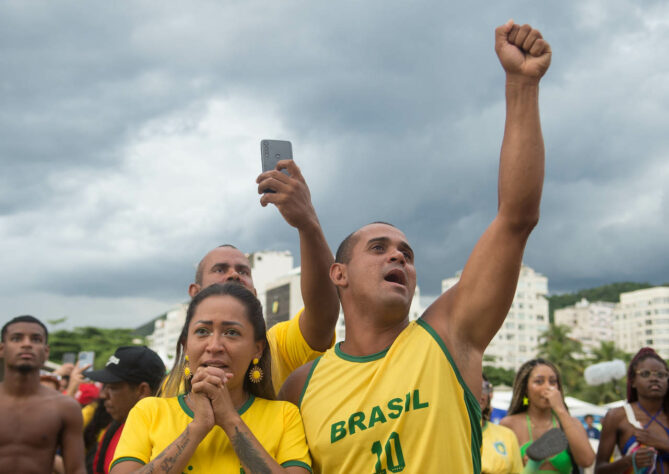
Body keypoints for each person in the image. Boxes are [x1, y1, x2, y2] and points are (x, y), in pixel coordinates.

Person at [279, 20, 551, 473]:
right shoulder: (300, 387)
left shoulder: (448, 335)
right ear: (338, 274)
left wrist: (522, 85)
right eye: (379, 247)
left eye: (407, 253)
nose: (398, 257)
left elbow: (516, 219)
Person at [110, 283, 311, 473]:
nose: (214, 346)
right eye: (202, 331)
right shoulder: (148, 412)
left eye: (231, 332)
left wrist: (230, 420)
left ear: (257, 349)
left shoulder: (285, 416)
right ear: (186, 346)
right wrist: (198, 427)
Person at [181, 159, 339, 394]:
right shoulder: (162, 395)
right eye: (220, 269)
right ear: (195, 292)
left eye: (244, 271)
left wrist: (308, 223)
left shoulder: (278, 345)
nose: (234, 275)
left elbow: (323, 314)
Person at [0, 315, 86, 474]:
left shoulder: (65, 407)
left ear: (46, 352)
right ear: (2, 349)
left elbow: (76, 470)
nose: (26, 344)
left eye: (36, 339)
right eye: (17, 338)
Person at [500, 358, 595, 473]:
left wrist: (561, 410)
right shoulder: (509, 424)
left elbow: (587, 461)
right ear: (526, 388)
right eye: (539, 381)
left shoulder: (571, 424)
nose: (548, 387)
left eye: (553, 382)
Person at [83, 346, 166, 474]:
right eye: (105, 386)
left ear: (142, 390)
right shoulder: (114, 427)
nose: (103, 395)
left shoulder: (167, 437)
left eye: (113, 387)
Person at [595, 347, 669, 473]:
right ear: (633, 381)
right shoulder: (617, 416)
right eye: (645, 374)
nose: (654, 378)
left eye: (661, 374)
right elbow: (599, 470)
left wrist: (662, 443)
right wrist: (629, 461)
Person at [481, 375, 523, 473]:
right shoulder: (446, 435)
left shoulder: (507, 435)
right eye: (470, 387)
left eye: (484, 387)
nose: (478, 392)